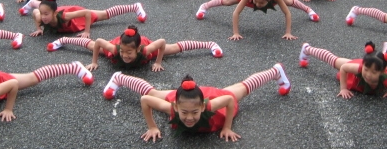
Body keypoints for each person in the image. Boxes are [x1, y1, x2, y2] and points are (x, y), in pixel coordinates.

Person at [101, 65, 290, 142]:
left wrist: (227, 127)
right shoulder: (174, 108)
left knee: (242, 89)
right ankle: (119, 77)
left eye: (194, 114)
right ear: (175, 107)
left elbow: (229, 100)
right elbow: (145, 100)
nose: (189, 118)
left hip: (210, 97)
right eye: (184, 114)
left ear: (202, 108)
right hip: (186, 98)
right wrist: (151, 126)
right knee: (153, 92)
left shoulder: (210, 105)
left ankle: (276, 71)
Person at [47, 25, 223, 72]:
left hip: (141, 43)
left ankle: (208, 44)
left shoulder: (145, 50)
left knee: (171, 49)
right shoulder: (116, 50)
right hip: (121, 41)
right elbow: (99, 41)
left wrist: (158, 62)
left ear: (138, 50)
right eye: (123, 52)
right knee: (94, 46)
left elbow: (161, 42)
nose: (125, 56)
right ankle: (64, 39)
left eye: (128, 53)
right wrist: (93, 62)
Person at [195, 0, 315, 40]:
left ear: (269, 0)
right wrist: (236, 33)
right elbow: (236, 12)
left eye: (261, 2)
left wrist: (288, 32)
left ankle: (308, 10)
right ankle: (204, 6)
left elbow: (287, 13)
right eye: (256, 1)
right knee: (229, 1)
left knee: (288, 1)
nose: (257, 4)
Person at [298, 41, 387, 101]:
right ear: (363, 66)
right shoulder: (360, 68)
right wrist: (343, 88)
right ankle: (307, 49)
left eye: (374, 73)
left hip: (373, 65)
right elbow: (343, 68)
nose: (369, 75)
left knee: (386, 62)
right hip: (355, 68)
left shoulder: (386, 78)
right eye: (367, 70)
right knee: (333, 60)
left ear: (382, 72)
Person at [29, 0, 147, 38]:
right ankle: (34, 1)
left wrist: (87, 32)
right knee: (43, 8)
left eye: (46, 14)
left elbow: (86, 13)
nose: (43, 17)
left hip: (77, 16)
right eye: (42, 14)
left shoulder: (65, 16)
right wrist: (39, 29)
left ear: (54, 13)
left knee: (105, 14)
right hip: (55, 9)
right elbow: (35, 13)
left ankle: (134, 7)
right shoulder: (41, 16)